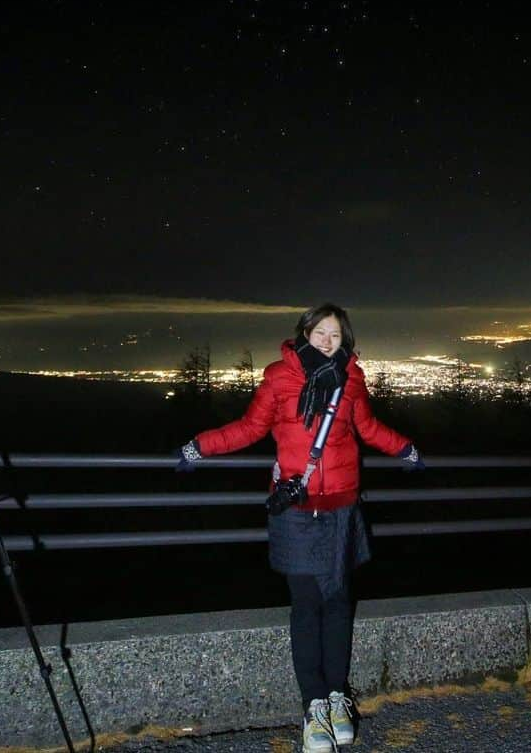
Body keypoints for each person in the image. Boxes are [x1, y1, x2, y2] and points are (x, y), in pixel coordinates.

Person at [176, 303, 426, 752]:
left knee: (338, 603)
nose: (327, 341)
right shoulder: (279, 376)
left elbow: (366, 427)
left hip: (342, 509)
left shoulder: (352, 377)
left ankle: (336, 698)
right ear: (304, 333)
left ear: (343, 339)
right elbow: (250, 428)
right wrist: (201, 447)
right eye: (320, 332)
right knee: (307, 604)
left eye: (335, 335)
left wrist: (404, 449)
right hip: (297, 510)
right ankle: (313, 708)